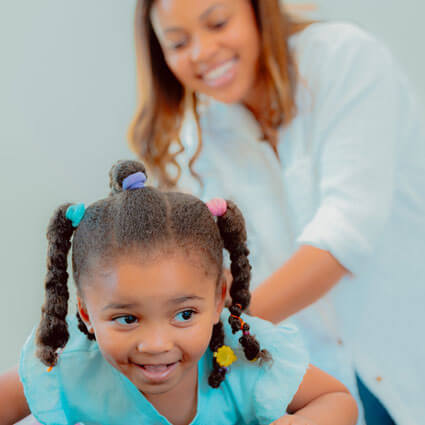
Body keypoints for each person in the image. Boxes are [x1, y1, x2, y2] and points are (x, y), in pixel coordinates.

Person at [127, 1, 425, 425]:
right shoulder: (199, 139)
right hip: (318, 374)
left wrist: (211, 331)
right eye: (178, 42)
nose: (202, 51)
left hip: (406, 343)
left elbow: (344, 233)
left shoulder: (344, 59)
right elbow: (215, 274)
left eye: (217, 23)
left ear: (256, 11)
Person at [0, 160, 358, 425]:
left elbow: (336, 399)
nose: (157, 343)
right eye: (127, 318)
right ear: (86, 314)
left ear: (219, 299)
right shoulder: (73, 364)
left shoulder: (240, 356)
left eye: (184, 314)